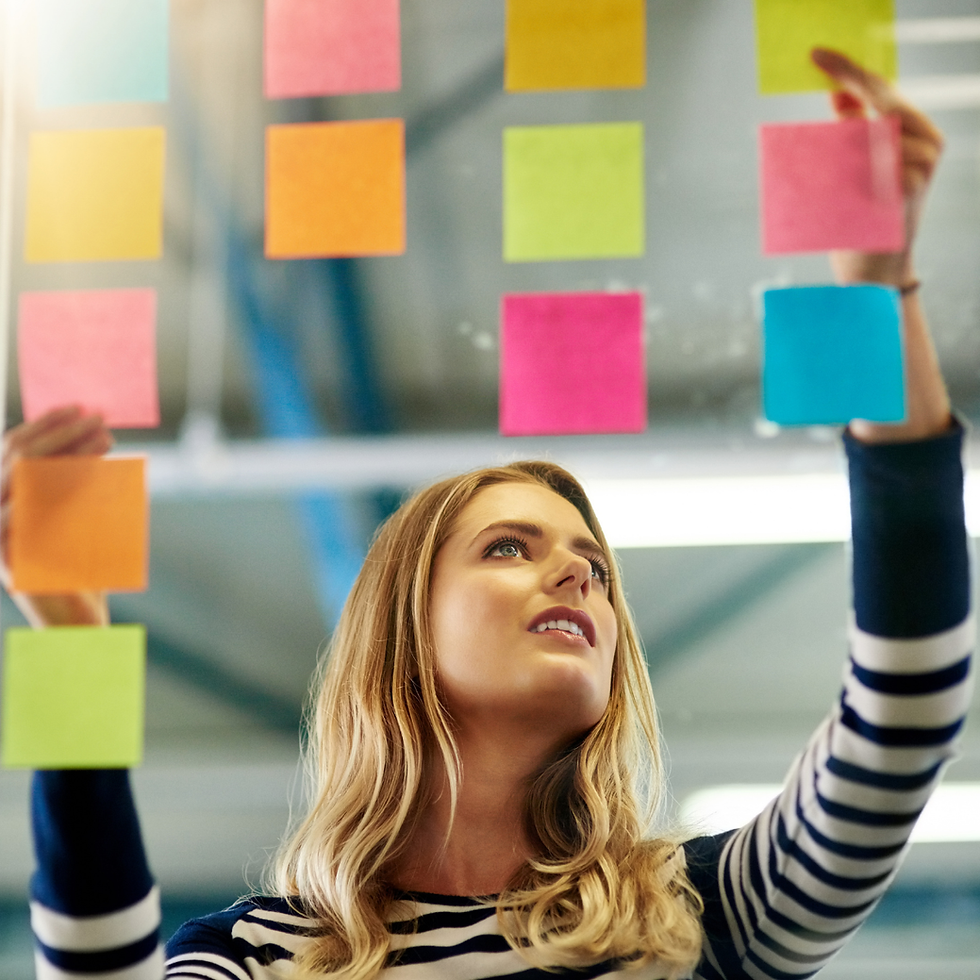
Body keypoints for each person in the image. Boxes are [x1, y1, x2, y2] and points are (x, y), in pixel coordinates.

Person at [8, 49, 973, 980]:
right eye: (509, 547)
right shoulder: (258, 958)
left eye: (591, 560)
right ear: (403, 628)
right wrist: (68, 653)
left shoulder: (707, 913)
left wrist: (879, 293)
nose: (578, 574)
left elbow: (906, 704)